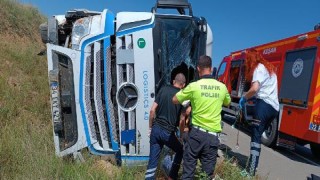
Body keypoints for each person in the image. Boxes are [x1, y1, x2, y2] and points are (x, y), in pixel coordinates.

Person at [172, 55, 231, 179]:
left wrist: (189, 99)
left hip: (196, 135)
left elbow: (175, 99)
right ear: (211, 68)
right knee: (206, 176)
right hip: (213, 138)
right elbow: (227, 102)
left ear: (198, 69)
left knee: (188, 173)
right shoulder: (222, 87)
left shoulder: (194, 86)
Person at [239, 48, 279, 176]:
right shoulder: (270, 70)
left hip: (264, 105)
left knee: (255, 136)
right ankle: (253, 165)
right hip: (274, 109)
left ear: (251, 59)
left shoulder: (258, 68)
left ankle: (250, 171)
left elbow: (255, 88)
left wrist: (244, 97)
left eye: (247, 60)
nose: (247, 63)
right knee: (258, 135)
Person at [145, 73, 186, 180]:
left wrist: (150, 128)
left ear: (173, 81)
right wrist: (181, 137)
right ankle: (172, 176)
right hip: (167, 133)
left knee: (152, 162)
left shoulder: (163, 89)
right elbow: (182, 120)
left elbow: (152, 110)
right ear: (184, 85)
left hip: (155, 129)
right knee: (180, 150)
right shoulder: (182, 96)